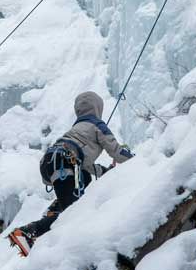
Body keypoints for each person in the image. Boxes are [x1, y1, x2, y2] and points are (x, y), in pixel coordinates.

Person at [8, 91, 134, 256]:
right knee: (74, 211)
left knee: (84, 179)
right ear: (97, 108)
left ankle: (56, 208)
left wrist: (104, 171)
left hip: (53, 162)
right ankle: (27, 232)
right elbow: (116, 151)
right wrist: (135, 162)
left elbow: (85, 165)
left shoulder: (76, 129)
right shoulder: (97, 125)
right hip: (65, 162)